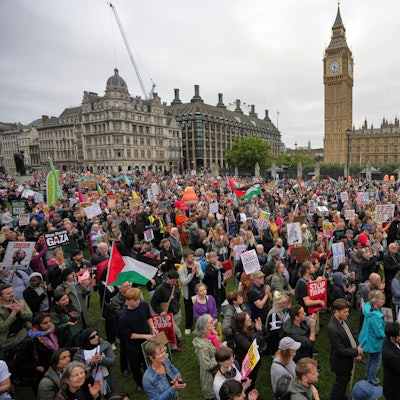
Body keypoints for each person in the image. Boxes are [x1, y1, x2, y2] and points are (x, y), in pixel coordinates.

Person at [12, 312, 65, 396]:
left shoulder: (56, 331)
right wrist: (37, 368)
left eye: (50, 321)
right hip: (42, 377)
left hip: (61, 370)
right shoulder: (30, 342)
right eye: (45, 323)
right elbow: (19, 365)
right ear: (36, 325)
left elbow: (66, 344)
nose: (49, 324)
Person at [119, 287, 158, 394]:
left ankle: (150, 380)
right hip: (133, 346)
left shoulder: (144, 305)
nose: (138, 302)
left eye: (138, 299)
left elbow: (148, 317)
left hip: (146, 341)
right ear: (128, 300)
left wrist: (153, 327)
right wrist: (146, 336)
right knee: (135, 366)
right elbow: (130, 335)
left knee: (147, 362)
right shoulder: (123, 316)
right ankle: (140, 384)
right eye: (135, 300)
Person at [327, 298, 363, 400]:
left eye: (347, 311)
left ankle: (341, 396)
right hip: (341, 363)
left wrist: (357, 347)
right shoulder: (332, 328)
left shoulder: (345, 319)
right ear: (336, 311)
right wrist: (357, 351)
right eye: (344, 312)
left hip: (349, 357)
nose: (347, 314)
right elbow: (340, 350)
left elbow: (353, 334)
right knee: (340, 384)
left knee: (345, 381)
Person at [73, 327, 119, 395]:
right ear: (86, 340)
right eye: (92, 337)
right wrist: (91, 363)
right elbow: (82, 374)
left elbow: (112, 361)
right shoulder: (78, 355)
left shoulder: (104, 345)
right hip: (91, 384)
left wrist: (102, 359)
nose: (96, 337)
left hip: (107, 380)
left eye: (97, 334)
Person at [358, 290, 386, 385]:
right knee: (376, 362)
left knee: (371, 358)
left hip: (368, 339)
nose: (383, 300)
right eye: (381, 299)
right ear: (376, 301)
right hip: (375, 342)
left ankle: (367, 375)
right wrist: (387, 334)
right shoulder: (375, 316)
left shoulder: (368, 308)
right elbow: (379, 333)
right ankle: (371, 380)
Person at [233, 312, 265, 391]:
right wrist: (259, 331)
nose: (250, 320)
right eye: (247, 320)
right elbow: (251, 347)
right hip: (245, 364)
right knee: (247, 382)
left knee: (253, 380)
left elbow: (261, 339)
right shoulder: (238, 336)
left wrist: (260, 329)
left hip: (253, 361)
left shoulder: (250, 328)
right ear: (242, 323)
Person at [151, 270, 182, 351]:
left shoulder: (175, 285)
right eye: (173, 281)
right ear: (168, 278)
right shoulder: (160, 289)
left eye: (176, 281)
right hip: (167, 314)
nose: (175, 282)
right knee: (174, 331)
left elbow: (177, 296)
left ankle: (174, 343)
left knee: (174, 330)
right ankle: (173, 347)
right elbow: (154, 303)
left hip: (176, 311)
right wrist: (160, 311)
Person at [192, 314, 221, 400]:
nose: (214, 322)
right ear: (204, 327)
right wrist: (219, 355)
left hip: (217, 369)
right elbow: (206, 365)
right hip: (210, 377)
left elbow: (217, 346)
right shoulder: (202, 347)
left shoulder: (212, 334)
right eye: (211, 322)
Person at [0, 283, 32, 352]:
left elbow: (30, 317)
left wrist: (22, 312)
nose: (12, 294)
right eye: (8, 293)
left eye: (12, 291)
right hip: (7, 339)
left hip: (22, 333)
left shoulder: (20, 302)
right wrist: (13, 313)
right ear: (1, 297)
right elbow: (2, 328)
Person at [178, 249, 204, 335]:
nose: (192, 258)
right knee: (189, 310)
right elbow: (184, 282)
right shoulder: (182, 268)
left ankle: (199, 325)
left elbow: (202, 276)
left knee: (199, 309)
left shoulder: (197, 264)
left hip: (198, 292)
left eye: (193, 256)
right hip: (188, 293)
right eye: (190, 257)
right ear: (186, 258)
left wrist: (197, 273)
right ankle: (188, 326)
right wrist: (192, 274)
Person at [266, 291, 290, 356]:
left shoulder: (282, 309)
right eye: (284, 302)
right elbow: (276, 332)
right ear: (279, 303)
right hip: (276, 342)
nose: (286, 304)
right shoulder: (274, 314)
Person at [382, 321, 400, 400]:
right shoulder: (391, 356)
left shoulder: (389, 341)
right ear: (392, 337)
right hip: (395, 390)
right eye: (399, 335)